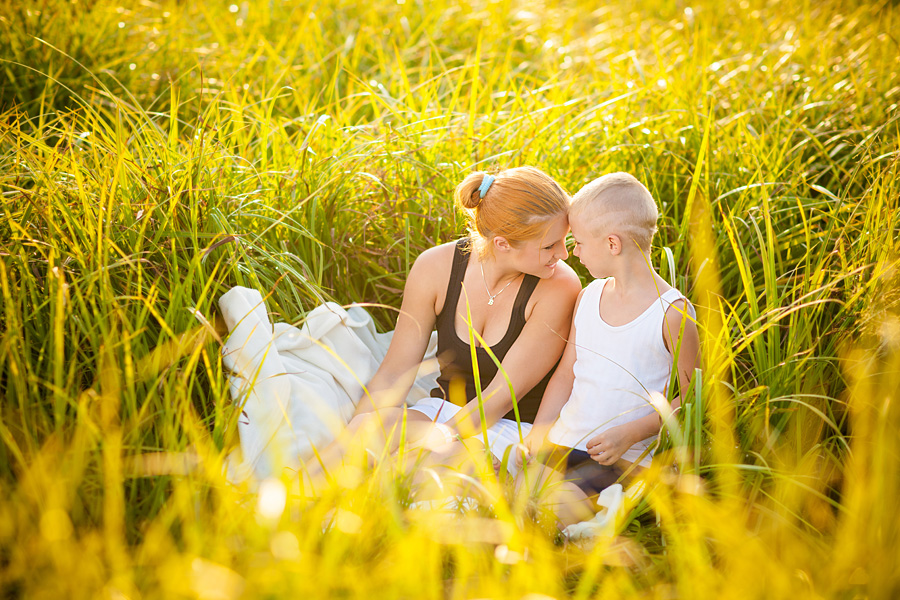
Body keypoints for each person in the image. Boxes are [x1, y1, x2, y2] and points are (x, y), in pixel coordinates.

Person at [303, 166, 582, 490]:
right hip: (440, 413)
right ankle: (278, 508)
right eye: (549, 246)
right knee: (368, 427)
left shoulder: (559, 286)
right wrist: (355, 436)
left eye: (564, 241)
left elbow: (501, 397)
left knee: (407, 466)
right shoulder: (435, 267)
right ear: (503, 244)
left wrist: (434, 441)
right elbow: (395, 374)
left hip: (507, 431)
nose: (562, 254)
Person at [516, 172, 700, 525]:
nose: (573, 252)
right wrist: (537, 436)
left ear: (612, 244)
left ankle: (602, 517)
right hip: (564, 441)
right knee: (515, 497)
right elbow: (565, 377)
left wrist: (632, 433)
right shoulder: (588, 298)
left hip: (621, 457)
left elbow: (694, 397)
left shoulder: (671, 313)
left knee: (547, 513)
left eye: (580, 242)